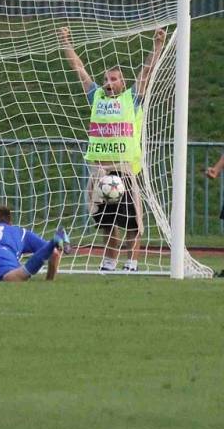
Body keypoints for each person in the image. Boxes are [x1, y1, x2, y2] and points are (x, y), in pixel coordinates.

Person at [60, 26, 165, 272]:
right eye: (106, 79)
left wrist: (157, 46)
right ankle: (109, 261)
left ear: (122, 83)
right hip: (99, 169)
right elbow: (79, 69)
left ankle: (132, 262)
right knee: (106, 221)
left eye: (113, 79)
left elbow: (147, 72)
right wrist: (65, 41)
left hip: (124, 169)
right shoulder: (96, 97)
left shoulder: (131, 99)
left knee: (130, 221)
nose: (108, 83)